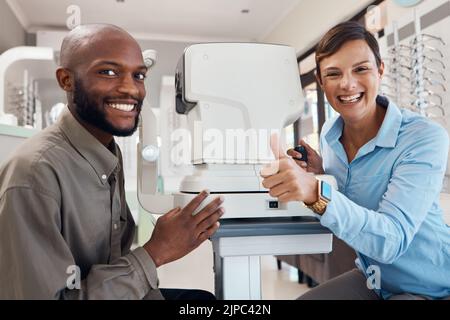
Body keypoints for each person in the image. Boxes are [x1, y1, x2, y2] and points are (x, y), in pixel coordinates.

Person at [0, 24, 224, 300]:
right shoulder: (34, 175)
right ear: (66, 80)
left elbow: (111, 261)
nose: (131, 88)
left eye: (139, 75)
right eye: (108, 72)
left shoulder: (107, 151)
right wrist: (157, 252)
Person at [261, 21, 450, 300]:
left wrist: (317, 192)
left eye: (361, 69)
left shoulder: (423, 137)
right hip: (374, 279)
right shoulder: (329, 134)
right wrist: (320, 175)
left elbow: (392, 239)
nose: (347, 84)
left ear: (380, 70)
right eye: (334, 73)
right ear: (321, 81)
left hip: (433, 286)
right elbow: (350, 192)